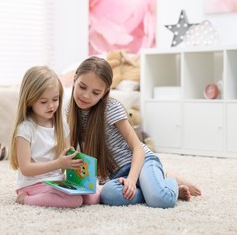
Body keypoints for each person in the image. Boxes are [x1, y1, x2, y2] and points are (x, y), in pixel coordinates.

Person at [66, 56, 201, 208]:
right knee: (108, 195)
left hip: (141, 163)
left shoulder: (110, 109)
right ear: (75, 79)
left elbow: (138, 148)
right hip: (117, 175)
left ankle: (170, 181)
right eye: (82, 87)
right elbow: (71, 153)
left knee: (161, 200)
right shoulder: (69, 113)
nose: (86, 96)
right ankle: (154, 186)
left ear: (105, 92)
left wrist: (131, 179)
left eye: (96, 92)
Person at [9, 66, 100, 208]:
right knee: (74, 201)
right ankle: (25, 199)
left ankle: (56, 193)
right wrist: (59, 164)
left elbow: (67, 158)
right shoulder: (26, 129)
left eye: (55, 99)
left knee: (93, 197)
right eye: (44, 102)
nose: (51, 106)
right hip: (33, 184)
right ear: (29, 100)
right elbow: (26, 168)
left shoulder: (61, 126)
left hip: (57, 180)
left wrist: (78, 171)